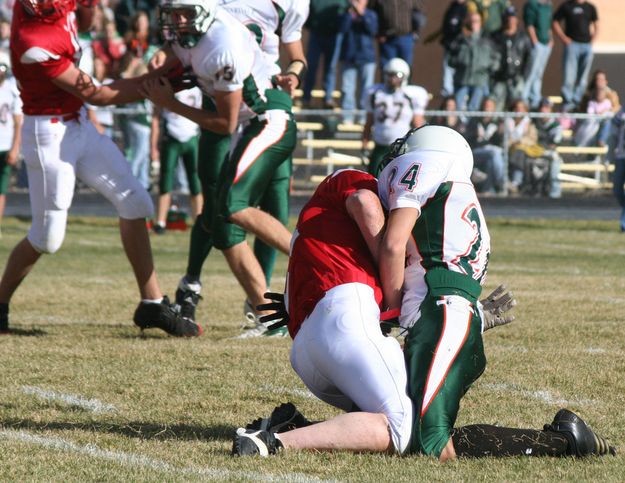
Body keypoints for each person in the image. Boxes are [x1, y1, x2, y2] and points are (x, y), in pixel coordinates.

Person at [232, 127, 616, 461]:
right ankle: (274, 441)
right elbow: (371, 213)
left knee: (410, 417)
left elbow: (345, 266)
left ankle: (294, 426)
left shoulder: (337, 222)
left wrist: (294, 304)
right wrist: (409, 292)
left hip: (312, 345)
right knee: (410, 432)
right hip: (345, 323)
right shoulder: (365, 183)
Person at [0, 0, 201, 337]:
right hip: (49, 132)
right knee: (47, 237)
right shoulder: (33, 41)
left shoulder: (52, 7)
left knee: (136, 202)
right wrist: (156, 82)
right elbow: (99, 94)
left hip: (77, 122)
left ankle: (151, 303)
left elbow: (89, 19)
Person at [143, 0, 298, 335]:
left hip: (266, 119)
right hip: (242, 126)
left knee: (237, 205)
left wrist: (170, 103)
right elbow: (149, 75)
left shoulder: (221, 43)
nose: (177, 21)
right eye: (173, 15)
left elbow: (224, 122)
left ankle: (313, 257)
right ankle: (270, 318)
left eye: (184, 14)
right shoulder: (191, 40)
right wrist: (95, 90)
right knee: (224, 226)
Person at [150, 86, 204, 234]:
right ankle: (160, 221)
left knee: (195, 182)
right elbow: (156, 116)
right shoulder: (167, 86)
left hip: (191, 136)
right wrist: (153, 146)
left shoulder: (198, 87)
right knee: (165, 181)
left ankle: (198, 221)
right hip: (172, 136)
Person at [361, 57, 428, 176]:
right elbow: (369, 121)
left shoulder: (412, 94)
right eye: (389, 74)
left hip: (402, 148)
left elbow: (417, 123)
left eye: (396, 75)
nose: (392, 79)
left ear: (405, 76)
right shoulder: (375, 93)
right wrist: (364, 144)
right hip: (380, 147)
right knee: (373, 180)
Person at [552, 0, 599, 112]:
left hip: (586, 45)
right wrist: (564, 39)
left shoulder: (590, 7)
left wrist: (592, 40)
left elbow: (597, 25)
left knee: (582, 78)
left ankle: (579, 102)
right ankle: (568, 103)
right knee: (569, 76)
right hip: (572, 44)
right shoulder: (567, 6)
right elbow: (555, 22)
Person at [301, 0, 348, 108]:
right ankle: (306, 98)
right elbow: (307, 12)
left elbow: (346, 12)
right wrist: (313, 25)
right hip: (316, 34)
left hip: (334, 35)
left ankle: (328, 98)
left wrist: (339, 27)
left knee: (331, 67)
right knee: (311, 65)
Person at [449, 12, 500, 112]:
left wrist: (490, 66)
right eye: (471, 21)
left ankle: (472, 127)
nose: (473, 24)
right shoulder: (461, 39)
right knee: (458, 107)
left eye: (476, 21)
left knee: (475, 108)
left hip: (480, 80)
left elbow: (496, 57)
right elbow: (451, 58)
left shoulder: (487, 40)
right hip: (462, 79)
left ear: (481, 23)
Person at [338, 0, 377, 125]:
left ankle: (363, 117)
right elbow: (342, 29)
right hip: (349, 57)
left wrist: (362, 14)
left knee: (366, 89)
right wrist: (350, 15)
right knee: (347, 88)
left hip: (366, 57)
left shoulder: (371, 14)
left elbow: (372, 30)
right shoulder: (346, 14)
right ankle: (347, 116)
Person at [489, 6, 532, 112]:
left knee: (517, 105)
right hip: (499, 78)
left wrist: (523, 76)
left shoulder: (523, 38)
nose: (510, 21)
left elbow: (528, 59)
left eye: (512, 18)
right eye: (508, 18)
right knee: (497, 104)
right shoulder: (496, 37)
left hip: (516, 78)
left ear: (516, 20)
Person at [423, 0, 468, 98]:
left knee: (460, 71)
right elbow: (446, 26)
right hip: (450, 44)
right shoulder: (452, 7)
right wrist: (433, 37)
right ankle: (448, 95)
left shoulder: (468, 7)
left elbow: (468, 27)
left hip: (462, 46)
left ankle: (457, 94)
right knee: (448, 70)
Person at [0, 52, 22, 238]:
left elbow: (17, 122)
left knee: (1, 189)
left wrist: (15, 147)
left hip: (5, 144)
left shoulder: (11, 90)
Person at [367, 0, 424, 70]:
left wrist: (416, 32)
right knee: (387, 68)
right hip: (386, 40)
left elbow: (419, 12)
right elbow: (371, 13)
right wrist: (377, 33)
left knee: (406, 68)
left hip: (406, 37)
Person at [465, 97, 506, 194]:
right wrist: (476, 134)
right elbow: (469, 139)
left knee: (492, 160)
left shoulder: (496, 123)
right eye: (486, 106)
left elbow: (498, 143)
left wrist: (500, 133)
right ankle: (501, 182)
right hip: (476, 152)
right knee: (494, 153)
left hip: (491, 153)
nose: (487, 108)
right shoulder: (475, 121)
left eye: (490, 107)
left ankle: (487, 189)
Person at [522, 0, 554, 110]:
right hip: (537, 44)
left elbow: (549, 25)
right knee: (531, 72)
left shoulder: (548, 6)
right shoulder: (532, 5)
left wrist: (551, 39)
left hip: (546, 44)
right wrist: (535, 41)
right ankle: (524, 98)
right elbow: (529, 25)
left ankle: (535, 99)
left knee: (539, 74)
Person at [610, 105, 625, 232]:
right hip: (621, 155)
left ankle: (624, 224)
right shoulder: (621, 113)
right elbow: (613, 134)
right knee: (617, 189)